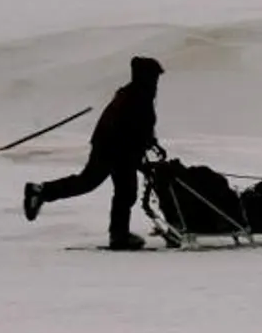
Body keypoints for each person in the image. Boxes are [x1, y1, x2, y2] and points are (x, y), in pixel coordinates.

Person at [22, 55, 166, 249]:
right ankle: (119, 235)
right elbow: (133, 129)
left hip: (111, 145)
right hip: (114, 148)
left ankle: (42, 192)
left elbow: (139, 129)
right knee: (114, 188)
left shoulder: (133, 94)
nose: (157, 81)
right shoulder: (138, 97)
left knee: (103, 186)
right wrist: (141, 149)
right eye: (155, 76)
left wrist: (149, 144)